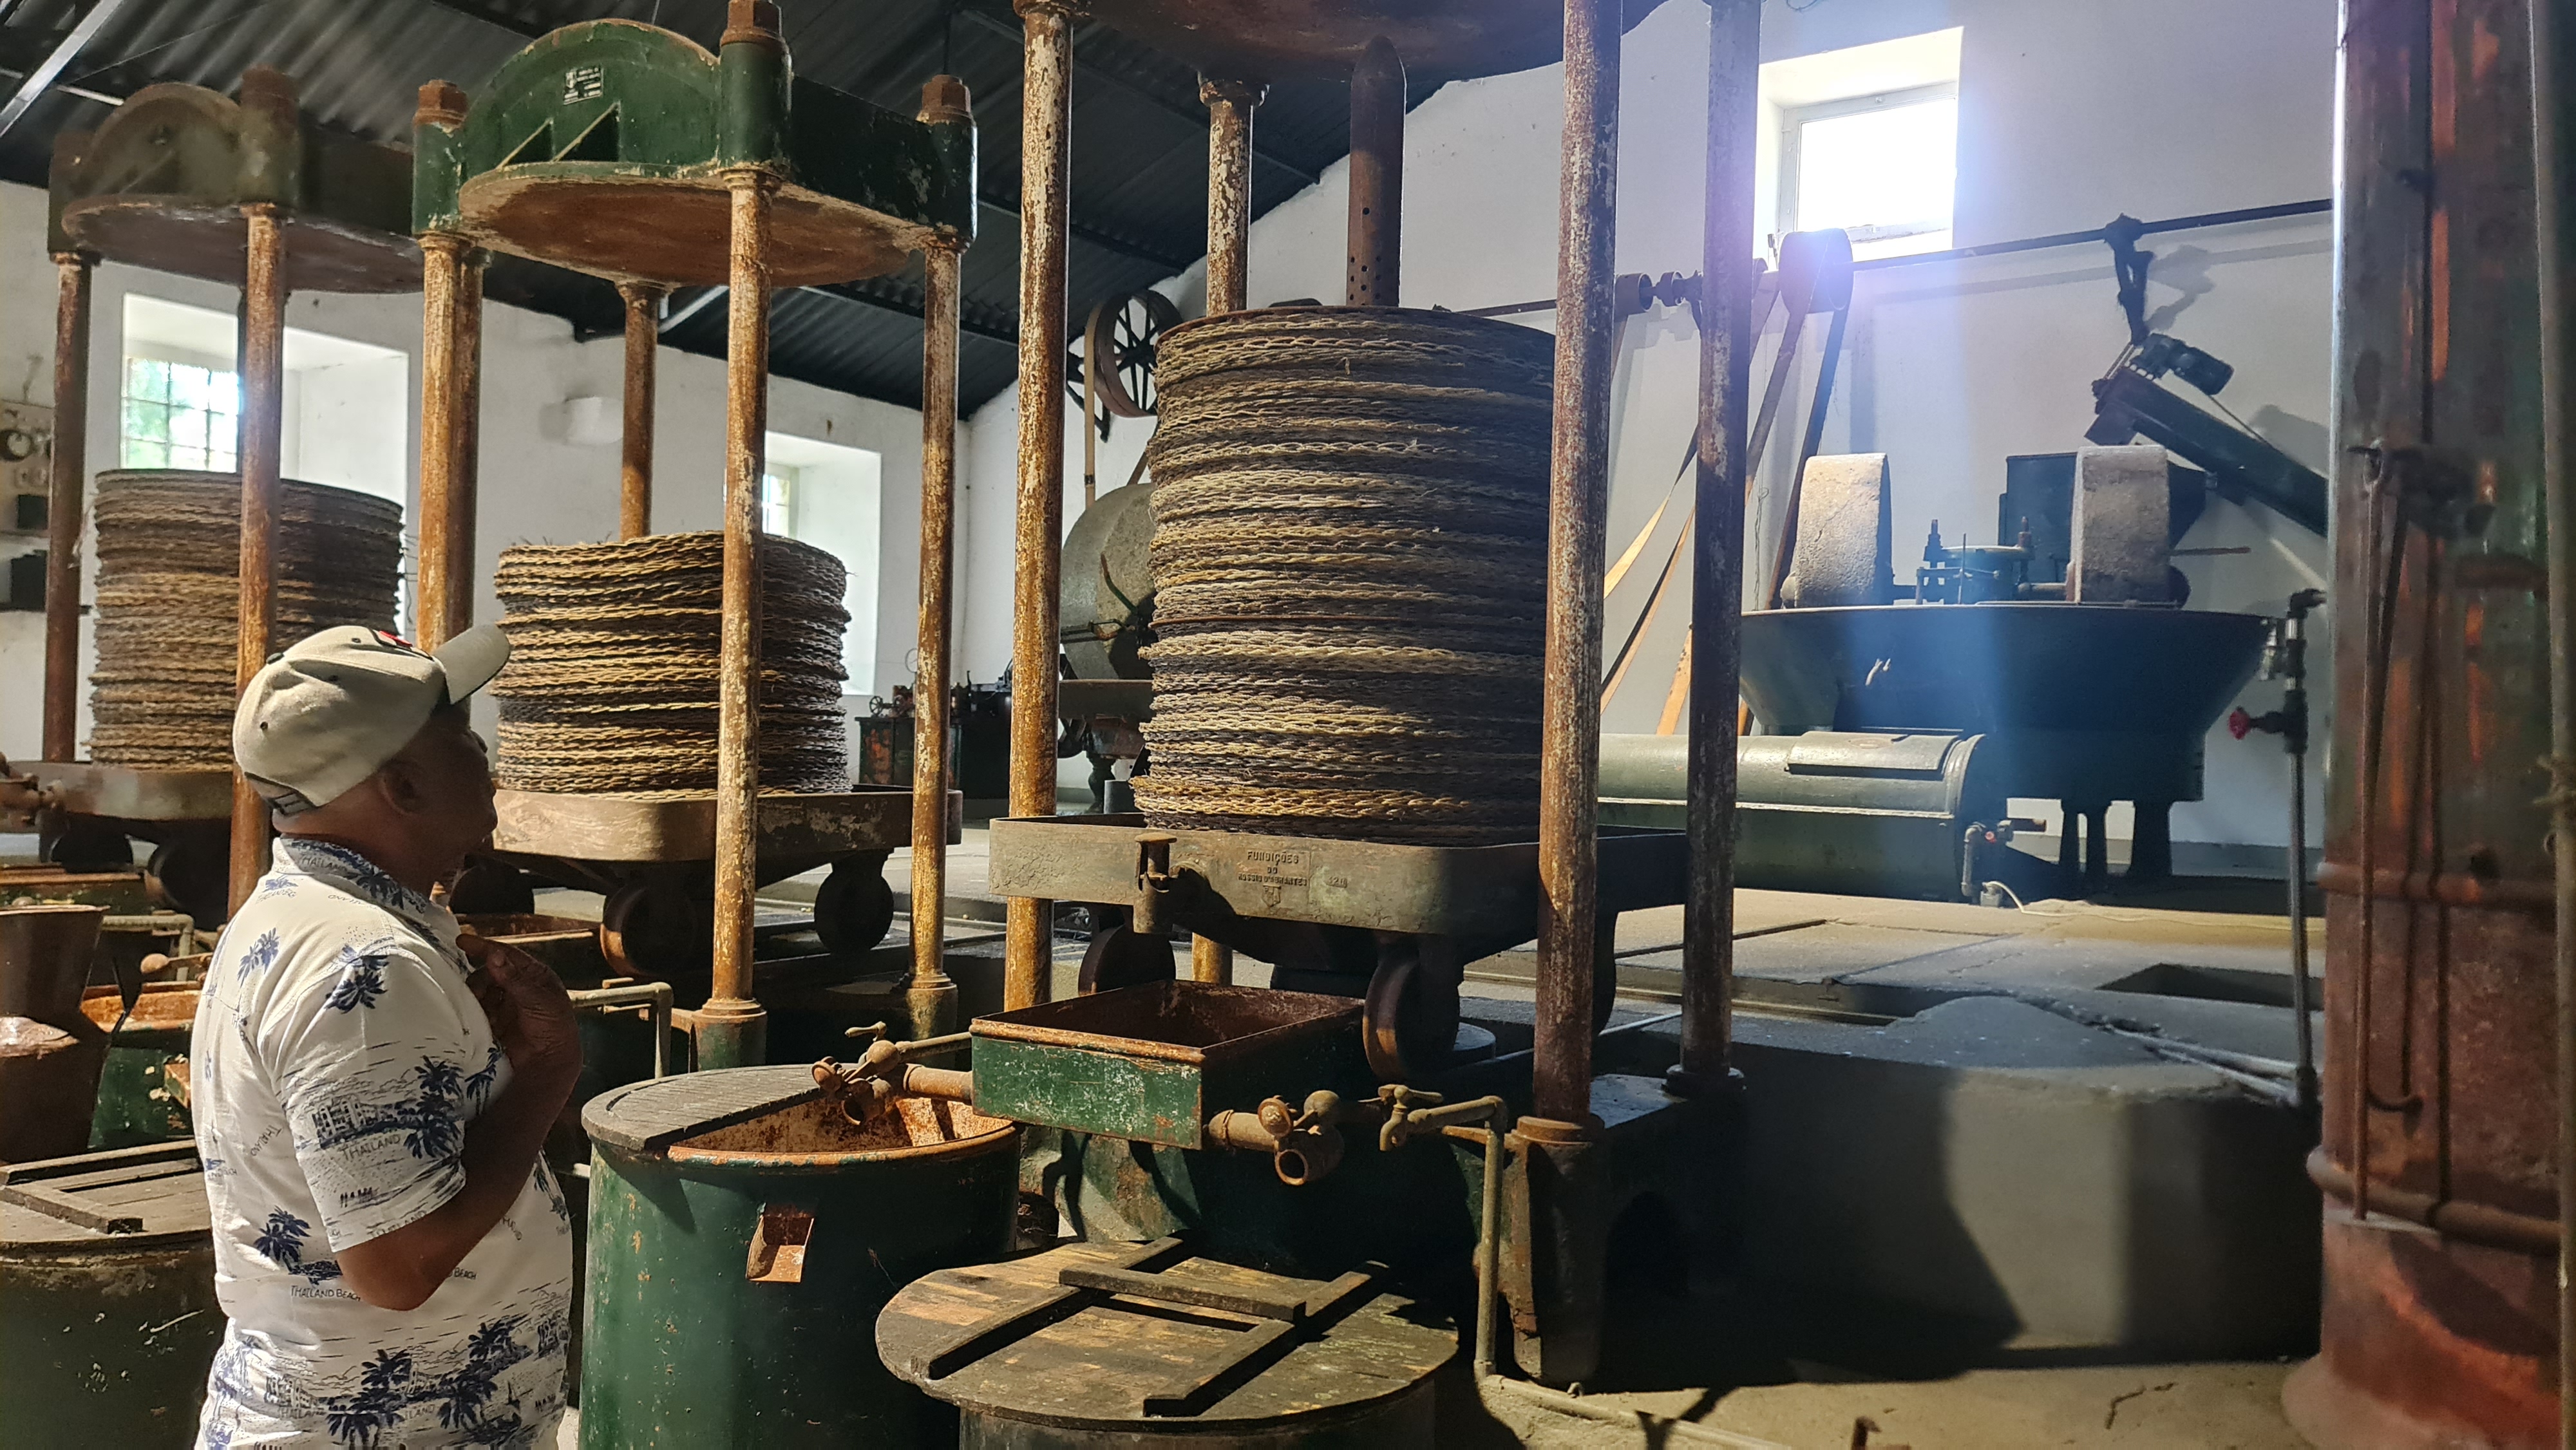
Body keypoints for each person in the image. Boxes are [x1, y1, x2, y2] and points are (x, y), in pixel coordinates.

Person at [191, 625, 579, 1449]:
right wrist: (546, 1072)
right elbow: (396, 1267)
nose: (485, 755)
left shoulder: (293, 918)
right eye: (462, 738)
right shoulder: (364, 963)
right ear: (402, 785)